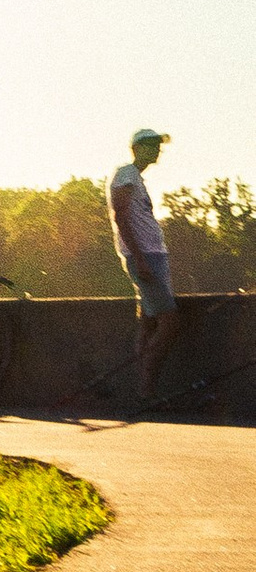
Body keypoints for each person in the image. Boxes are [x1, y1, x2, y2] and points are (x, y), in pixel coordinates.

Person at [108, 128, 182, 403]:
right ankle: (146, 389)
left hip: (152, 254)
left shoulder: (135, 177)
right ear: (137, 148)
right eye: (152, 146)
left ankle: (143, 389)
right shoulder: (126, 173)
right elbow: (121, 216)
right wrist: (139, 258)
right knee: (169, 322)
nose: (158, 151)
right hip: (145, 256)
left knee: (149, 322)